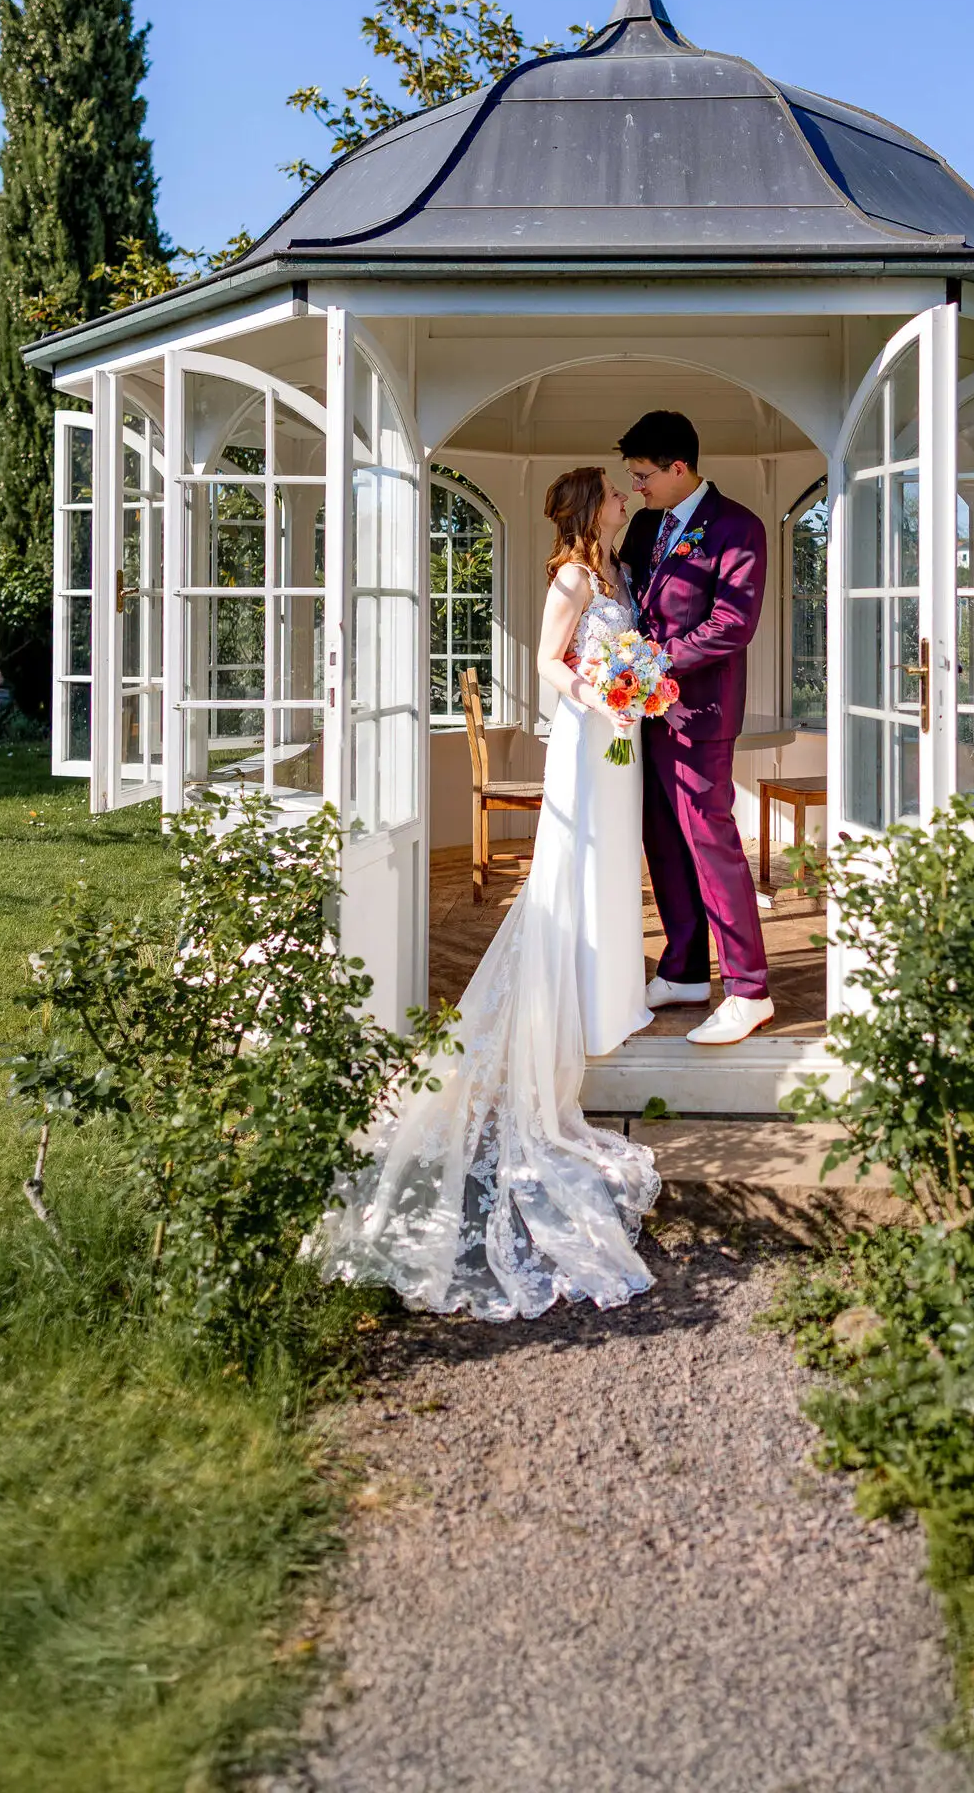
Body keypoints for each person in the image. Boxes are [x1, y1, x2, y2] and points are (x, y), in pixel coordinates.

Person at [317, 466, 659, 1320]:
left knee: (617, 866)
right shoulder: (572, 578)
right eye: (615, 495)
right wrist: (605, 696)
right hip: (588, 738)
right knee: (574, 864)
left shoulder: (617, 572)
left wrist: (636, 692)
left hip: (621, 739)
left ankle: (613, 988)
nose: (625, 500)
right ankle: (568, 993)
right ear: (592, 510)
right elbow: (546, 662)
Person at [618, 411, 774, 1046]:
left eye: (644, 475)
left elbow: (732, 624)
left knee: (712, 845)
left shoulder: (739, 528)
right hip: (646, 714)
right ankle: (683, 970)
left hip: (701, 714)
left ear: (679, 467)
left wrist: (653, 664)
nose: (637, 488)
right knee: (663, 839)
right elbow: (626, 600)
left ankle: (749, 988)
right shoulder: (646, 524)